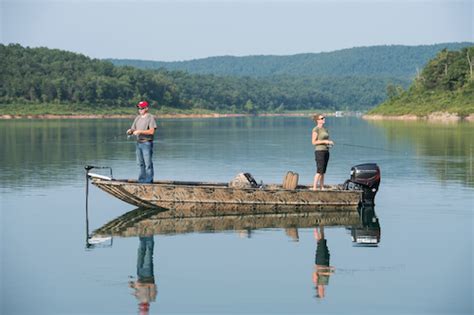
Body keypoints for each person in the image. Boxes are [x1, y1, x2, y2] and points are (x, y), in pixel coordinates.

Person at [127, 101, 158, 183]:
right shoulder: (137, 118)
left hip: (147, 143)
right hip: (138, 143)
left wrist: (140, 131)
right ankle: (141, 181)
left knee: (148, 164)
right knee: (140, 164)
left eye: (142, 108)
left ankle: (148, 181)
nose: (140, 110)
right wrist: (130, 131)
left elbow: (151, 131)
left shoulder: (150, 118)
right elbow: (133, 129)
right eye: (139, 108)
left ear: (146, 108)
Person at [129, 236, 157, 315]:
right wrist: (140, 285)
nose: (142, 307)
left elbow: (135, 286)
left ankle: (142, 232)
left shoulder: (137, 297)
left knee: (141, 249)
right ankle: (149, 233)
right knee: (148, 250)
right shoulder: (152, 298)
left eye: (141, 308)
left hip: (139, 274)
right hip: (148, 274)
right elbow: (152, 284)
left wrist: (132, 285)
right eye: (143, 309)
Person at [311, 114, 334, 190]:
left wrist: (329, 143)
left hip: (326, 151)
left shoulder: (325, 129)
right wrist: (325, 141)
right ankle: (314, 187)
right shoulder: (316, 129)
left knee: (323, 171)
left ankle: (322, 186)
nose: (324, 119)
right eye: (322, 118)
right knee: (319, 170)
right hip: (319, 151)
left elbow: (326, 141)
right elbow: (314, 142)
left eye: (324, 118)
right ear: (318, 120)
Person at [312, 226, 335, 299]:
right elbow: (329, 272)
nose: (323, 291)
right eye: (323, 293)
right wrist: (329, 271)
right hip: (326, 261)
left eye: (322, 293)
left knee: (320, 242)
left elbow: (315, 271)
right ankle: (321, 227)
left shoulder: (317, 282)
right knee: (322, 242)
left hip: (320, 261)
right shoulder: (325, 283)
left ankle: (316, 227)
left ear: (318, 291)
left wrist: (328, 272)